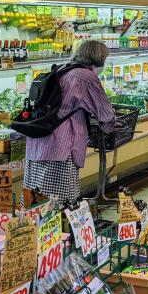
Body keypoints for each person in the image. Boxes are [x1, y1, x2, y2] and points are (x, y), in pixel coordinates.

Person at [24, 40, 116, 201]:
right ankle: (59, 225)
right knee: (59, 201)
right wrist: (109, 125)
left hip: (37, 139)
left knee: (34, 198)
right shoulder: (85, 76)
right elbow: (105, 113)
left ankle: (34, 225)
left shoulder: (61, 69)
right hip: (61, 146)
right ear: (98, 58)